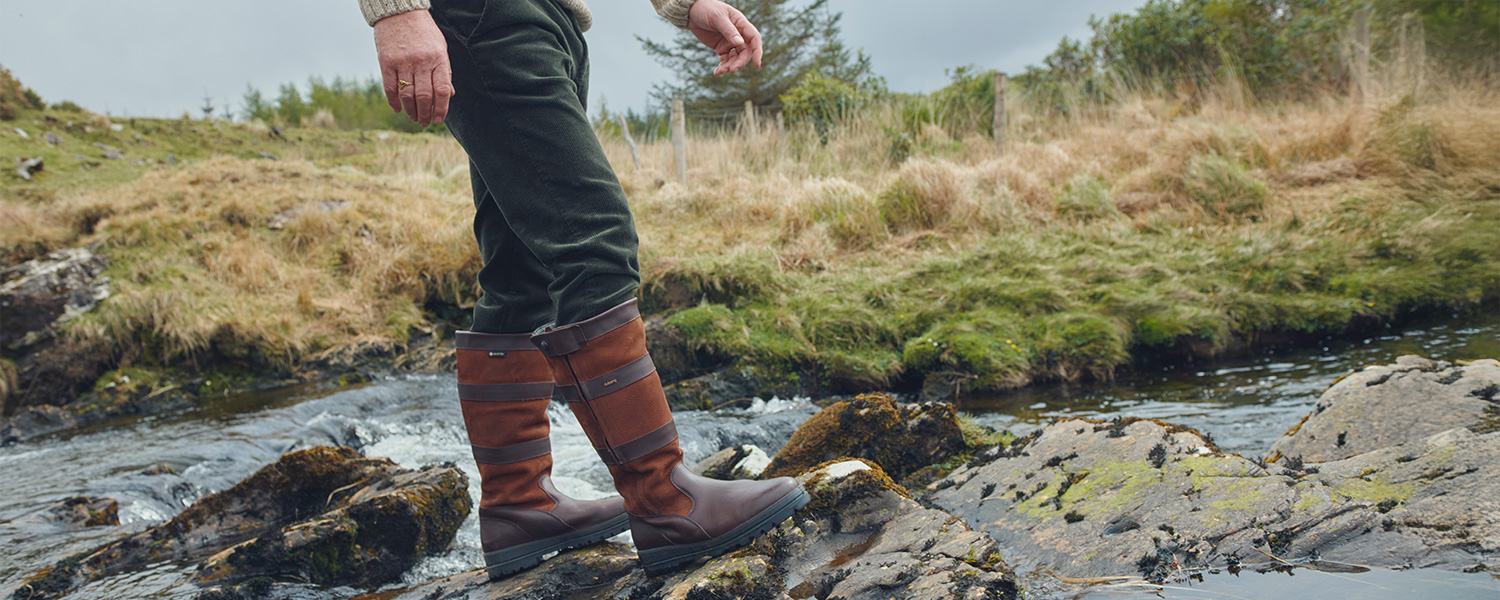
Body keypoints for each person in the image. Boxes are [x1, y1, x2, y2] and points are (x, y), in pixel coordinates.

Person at [357, 0, 809, 579]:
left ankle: (520, 503)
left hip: (551, 23)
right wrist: (397, 11)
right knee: (592, 237)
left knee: (523, 266)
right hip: (481, 15)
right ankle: (667, 502)